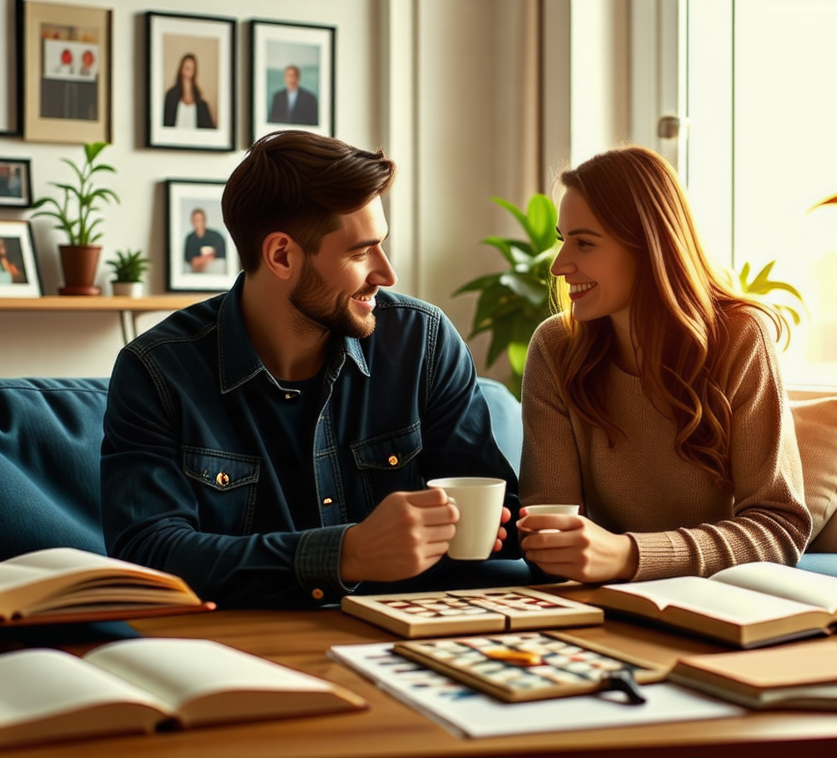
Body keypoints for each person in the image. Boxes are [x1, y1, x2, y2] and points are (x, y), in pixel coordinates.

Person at [101, 130, 524, 609]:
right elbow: (149, 554)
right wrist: (345, 555)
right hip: (250, 650)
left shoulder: (422, 343)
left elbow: (498, 513)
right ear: (282, 255)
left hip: (416, 637)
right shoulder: (158, 372)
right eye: (360, 252)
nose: (387, 274)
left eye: (381, 246)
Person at [517, 146, 810, 584]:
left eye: (584, 243)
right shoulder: (556, 347)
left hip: (719, 596)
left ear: (648, 245)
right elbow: (548, 533)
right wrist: (555, 548)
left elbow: (779, 528)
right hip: (603, 600)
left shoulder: (741, 336)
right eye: (563, 240)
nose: (560, 265)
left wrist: (630, 555)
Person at [162, 54, 215, 129]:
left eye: (191, 68)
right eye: (186, 67)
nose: (189, 69)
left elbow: (209, 129)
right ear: (181, 69)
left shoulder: (201, 103)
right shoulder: (171, 96)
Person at [182, 208, 227, 273]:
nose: (198, 223)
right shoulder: (190, 238)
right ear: (192, 221)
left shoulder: (215, 236)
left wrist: (202, 260)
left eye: (200, 220)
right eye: (196, 220)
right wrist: (205, 259)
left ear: (204, 220)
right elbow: (191, 261)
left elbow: (220, 256)